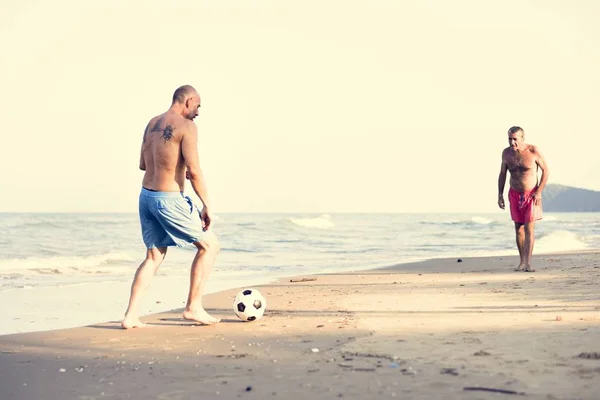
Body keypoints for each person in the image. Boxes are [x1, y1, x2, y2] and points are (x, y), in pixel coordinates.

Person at [122, 85, 220, 329]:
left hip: (146, 196)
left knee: (154, 256)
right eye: (197, 106)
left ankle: (130, 316)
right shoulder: (187, 127)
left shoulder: (152, 123)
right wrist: (206, 204)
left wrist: (173, 167)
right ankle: (193, 308)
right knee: (210, 246)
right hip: (168, 198)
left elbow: (144, 164)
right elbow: (195, 172)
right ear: (187, 101)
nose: (198, 112)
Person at [497, 126, 549, 272]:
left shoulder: (533, 151)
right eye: (509, 139)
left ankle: (528, 263)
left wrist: (539, 192)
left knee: (529, 228)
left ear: (522, 138)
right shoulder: (506, 154)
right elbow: (502, 173)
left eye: (515, 139)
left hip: (531, 194)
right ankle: (521, 262)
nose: (512, 142)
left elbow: (546, 170)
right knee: (518, 229)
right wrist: (500, 195)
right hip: (514, 193)